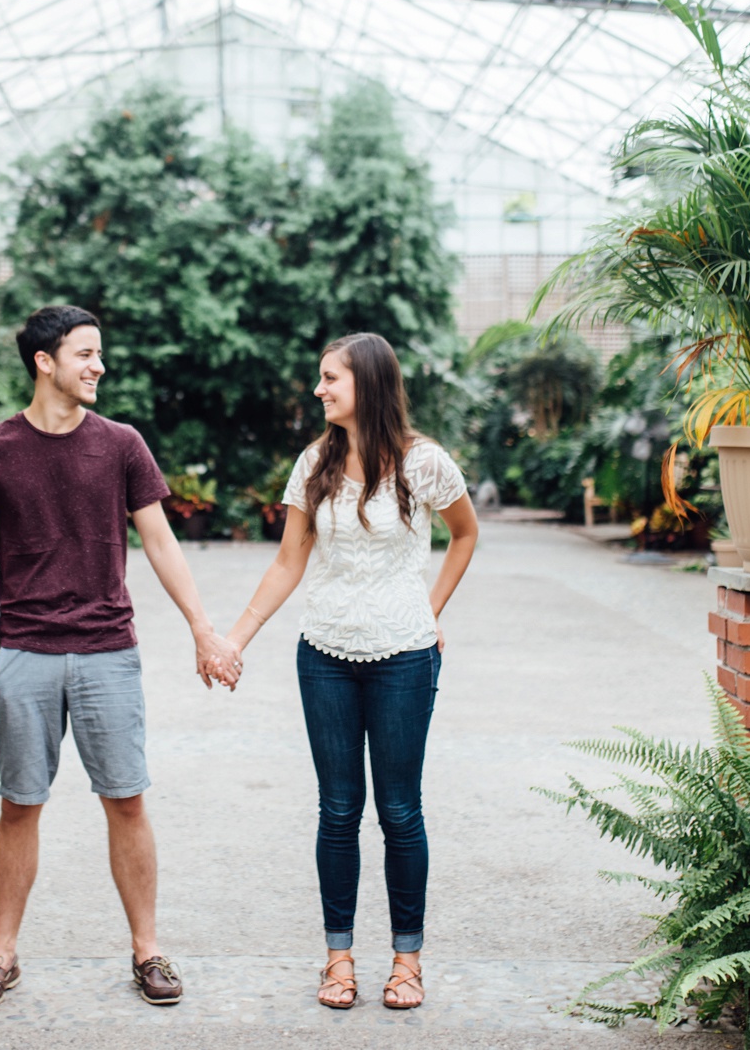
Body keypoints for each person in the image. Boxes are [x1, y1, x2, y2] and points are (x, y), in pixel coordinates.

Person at [0, 304, 240, 1010]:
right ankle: (1, 953)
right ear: (44, 361)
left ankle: (147, 949)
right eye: (85, 354)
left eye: (100, 353)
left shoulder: (121, 445)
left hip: (109, 649)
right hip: (24, 650)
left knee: (127, 799)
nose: (99, 366)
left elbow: (162, 542)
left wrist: (204, 628)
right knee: (19, 803)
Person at [219, 332, 479, 1011]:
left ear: (366, 380)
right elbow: (287, 562)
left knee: (399, 811)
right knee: (338, 811)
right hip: (325, 654)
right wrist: (235, 638)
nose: (319, 388)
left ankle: (407, 962)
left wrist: (429, 608)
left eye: (329, 377)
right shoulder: (313, 462)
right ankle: (338, 960)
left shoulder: (424, 463)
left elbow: (466, 532)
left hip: (405, 656)